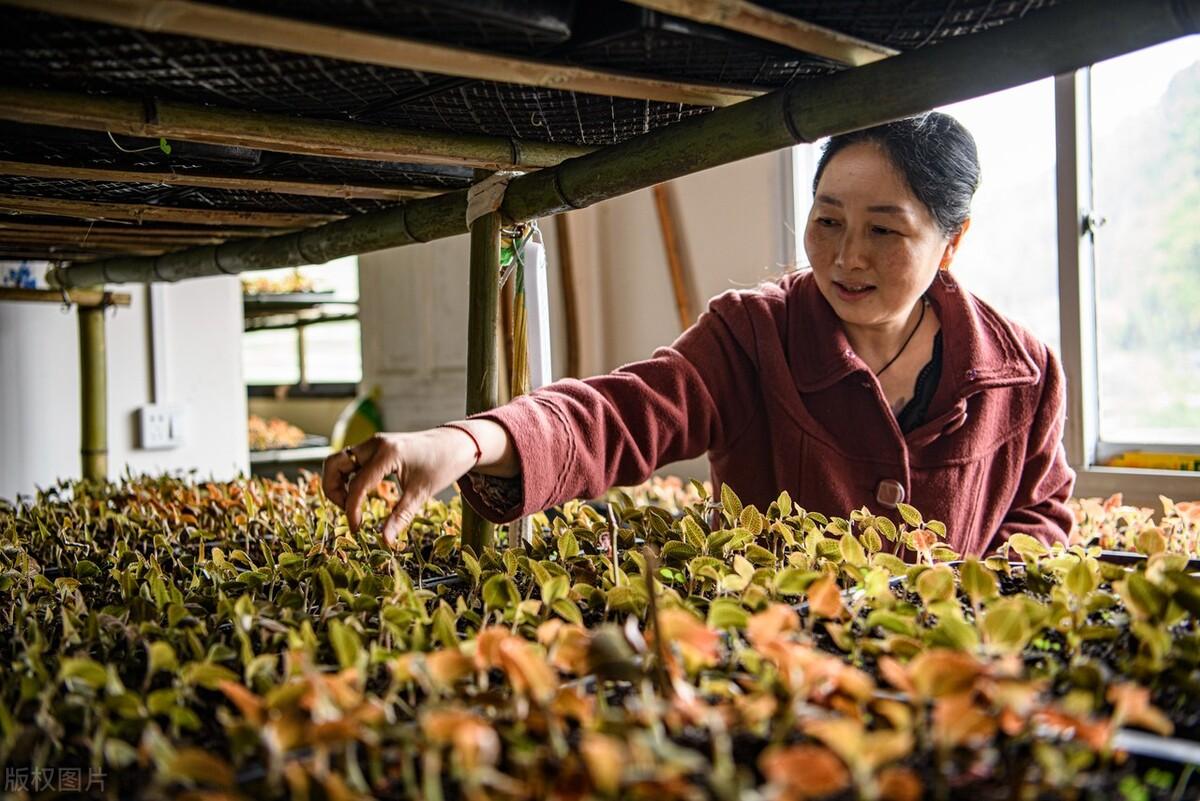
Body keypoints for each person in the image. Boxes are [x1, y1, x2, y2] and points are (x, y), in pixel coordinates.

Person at [323, 112, 1074, 558]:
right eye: (828, 220)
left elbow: (1040, 516)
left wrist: (979, 615)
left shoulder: (1021, 374)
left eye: (884, 230)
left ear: (953, 239)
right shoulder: (755, 334)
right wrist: (465, 442)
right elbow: (618, 413)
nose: (847, 256)